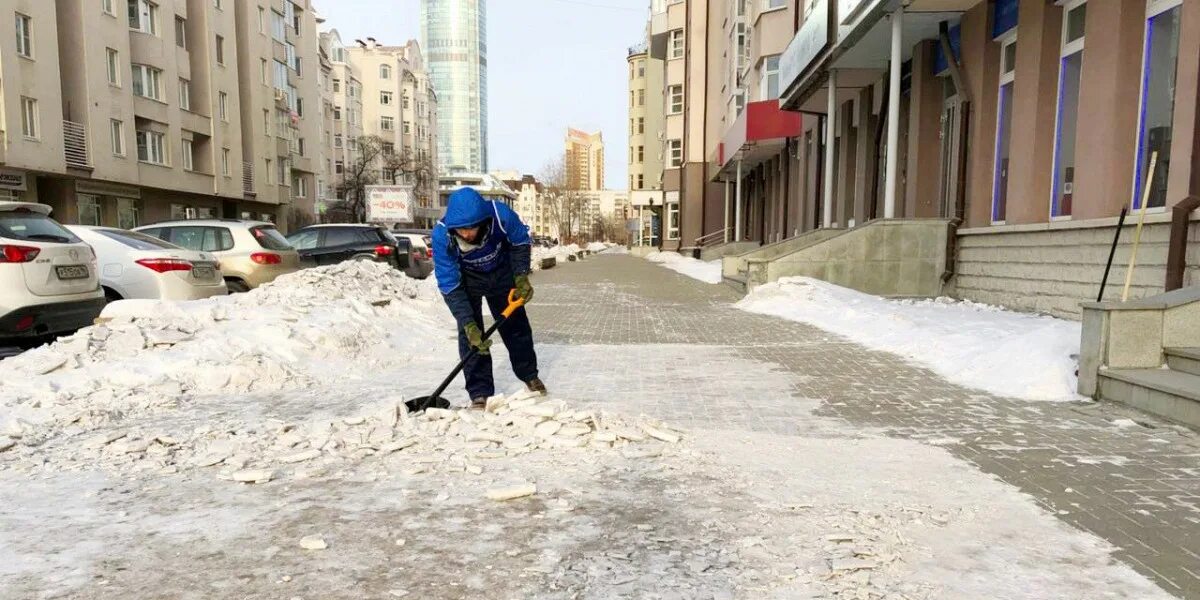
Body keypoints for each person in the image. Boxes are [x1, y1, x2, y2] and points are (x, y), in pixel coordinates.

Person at [431, 187, 546, 406]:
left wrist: (521, 276)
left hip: (501, 273)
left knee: (516, 327)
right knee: (472, 337)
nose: (466, 234)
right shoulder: (442, 235)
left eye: (471, 228)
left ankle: (529, 375)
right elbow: (449, 283)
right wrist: (468, 324)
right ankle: (479, 392)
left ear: (482, 220)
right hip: (466, 279)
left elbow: (520, 243)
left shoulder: (501, 215)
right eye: (461, 230)